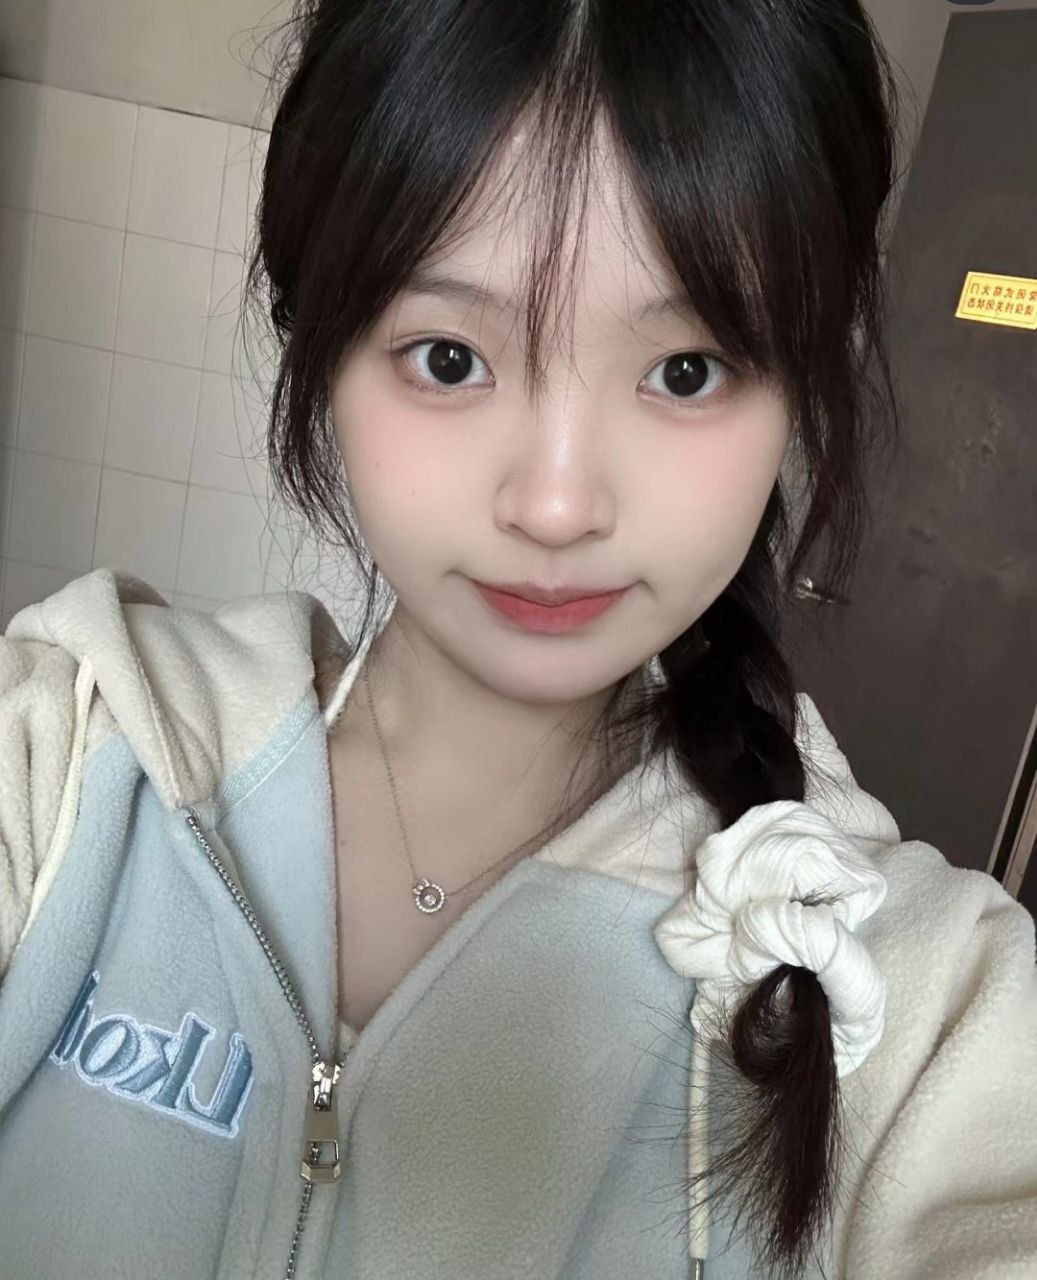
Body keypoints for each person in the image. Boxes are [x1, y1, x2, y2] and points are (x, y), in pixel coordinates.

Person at [0, 1, 1034, 1277]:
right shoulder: (65, 755)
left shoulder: (908, 991)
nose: (554, 504)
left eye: (686, 370)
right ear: (316, 340)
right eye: (448, 357)